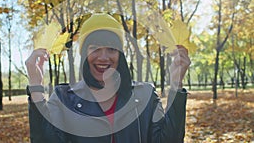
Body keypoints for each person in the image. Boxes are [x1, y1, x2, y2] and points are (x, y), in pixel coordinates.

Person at [25, 13, 191, 143]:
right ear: (84, 54)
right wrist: (36, 88)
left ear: (120, 55)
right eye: (95, 48)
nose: (104, 57)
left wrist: (176, 85)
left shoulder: (145, 95)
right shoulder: (64, 98)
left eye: (111, 49)